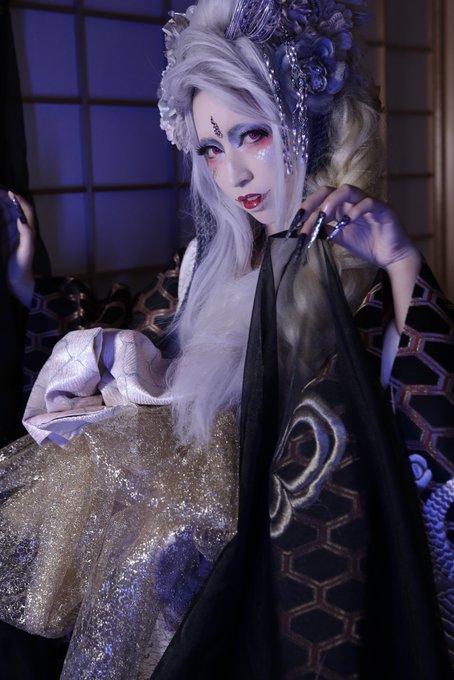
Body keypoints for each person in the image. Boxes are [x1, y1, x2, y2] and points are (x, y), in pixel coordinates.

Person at [1, 1, 453, 678]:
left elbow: (421, 419)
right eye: (212, 148)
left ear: (307, 124)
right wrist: (28, 287)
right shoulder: (203, 265)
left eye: (254, 136)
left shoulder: (354, 274)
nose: (234, 173)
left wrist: (399, 260)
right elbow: (136, 335)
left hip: (279, 580)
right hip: (169, 582)